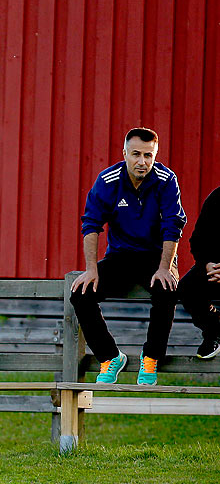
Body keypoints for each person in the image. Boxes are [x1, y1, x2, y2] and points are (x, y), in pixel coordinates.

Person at [70, 128, 187, 384]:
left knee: (167, 290)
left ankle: (151, 357)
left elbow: (173, 225)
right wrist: (91, 269)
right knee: (80, 294)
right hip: (121, 256)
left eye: (148, 155)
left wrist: (166, 267)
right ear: (125, 154)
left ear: (155, 155)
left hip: (157, 257)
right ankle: (110, 357)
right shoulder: (108, 180)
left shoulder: (166, 180)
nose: (142, 161)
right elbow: (91, 225)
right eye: (136, 154)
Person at [177, 185, 220, 360]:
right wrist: (205, 264)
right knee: (187, 288)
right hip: (213, 268)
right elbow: (197, 239)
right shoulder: (217, 197)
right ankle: (213, 330)